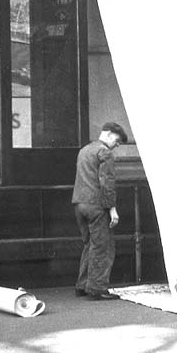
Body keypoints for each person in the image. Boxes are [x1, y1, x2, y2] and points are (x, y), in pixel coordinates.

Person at [72, 122, 129, 300]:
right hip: (96, 206)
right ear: (110, 135)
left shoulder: (84, 150)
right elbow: (107, 184)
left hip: (79, 204)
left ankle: (82, 285)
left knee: (90, 244)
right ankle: (97, 288)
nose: (117, 145)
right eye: (117, 141)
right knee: (103, 247)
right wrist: (112, 209)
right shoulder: (105, 152)